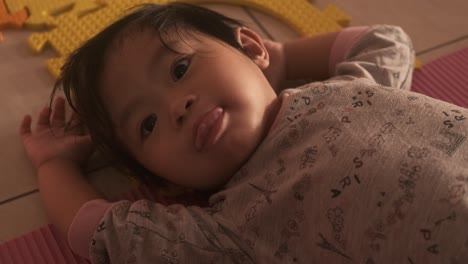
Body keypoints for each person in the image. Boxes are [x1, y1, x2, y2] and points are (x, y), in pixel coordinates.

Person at [19, 3, 468, 263]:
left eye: (180, 68)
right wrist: (54, 163)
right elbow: (101, 232)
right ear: (162, 182)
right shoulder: (233, 225)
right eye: (148, 124)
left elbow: (386, 41)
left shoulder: (348, 86)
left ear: (252, 48)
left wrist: (284, 59)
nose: (177, 106)